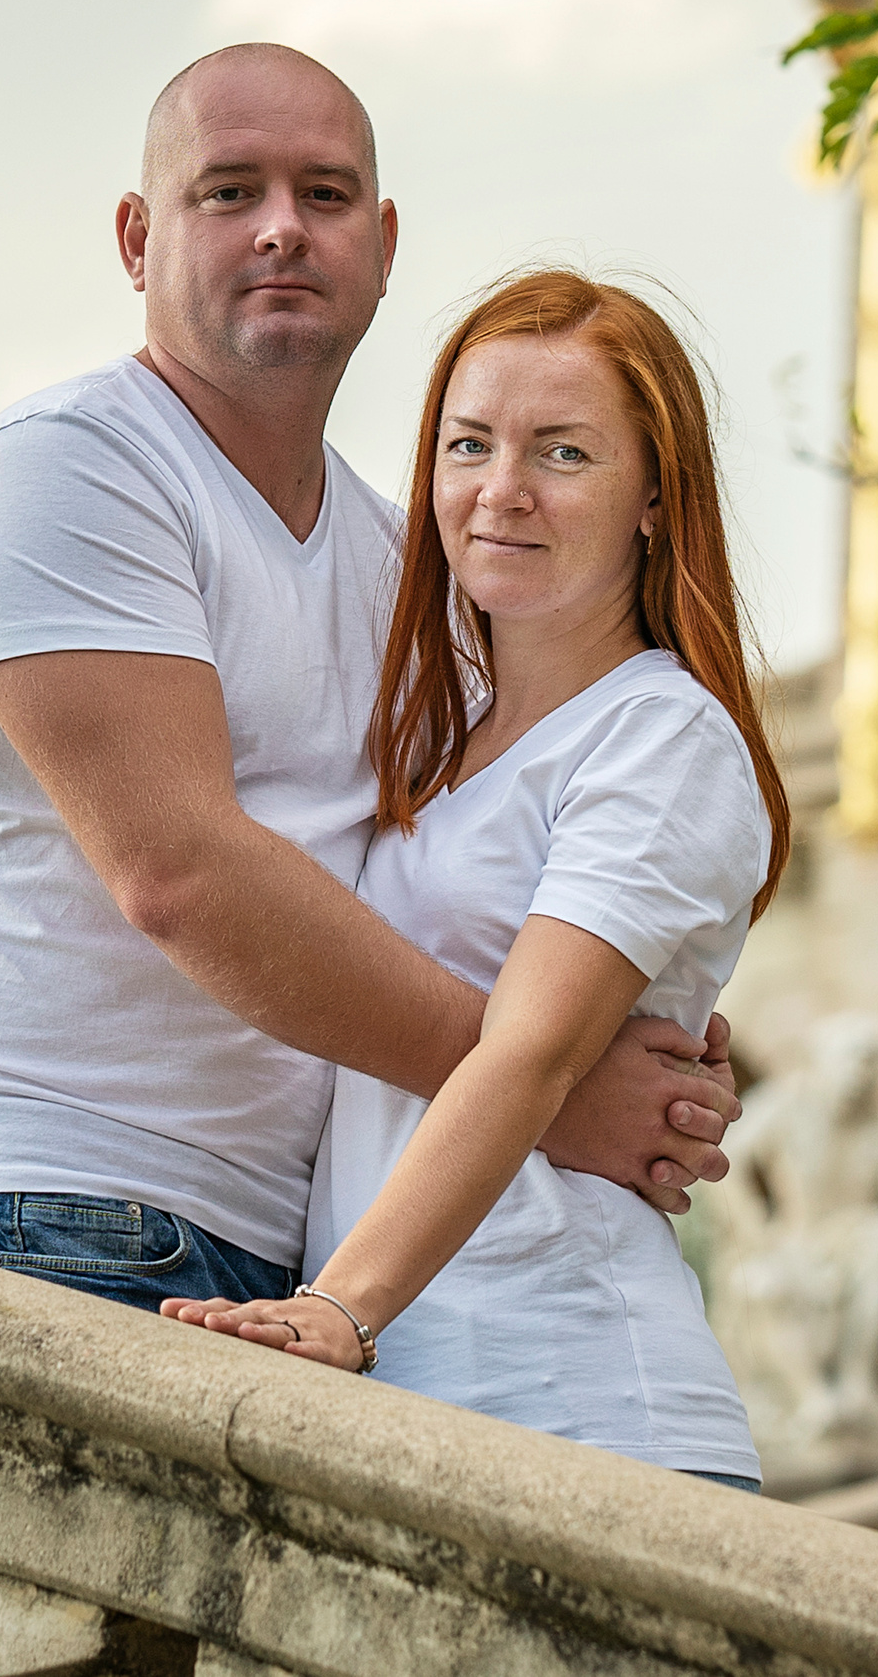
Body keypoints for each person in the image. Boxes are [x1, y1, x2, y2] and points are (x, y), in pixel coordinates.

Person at [0, 46, 739, 1311]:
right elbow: (182, 875)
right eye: (229, 192)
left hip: (304, 1247)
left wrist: (655, 1029)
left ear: (382, 245)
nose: (282, 229)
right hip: (52, 1202)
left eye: (324, 196)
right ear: (135, 236)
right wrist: (543, 1089)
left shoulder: (407, 564)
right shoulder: (67, 475)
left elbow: (520, 859)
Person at [163, 271, 790, 1493]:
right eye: (468, 445)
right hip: (414, 1403)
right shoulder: (440, 742)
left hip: (578, 1408)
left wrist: (340, 1308)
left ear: (655, 496)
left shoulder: (662, 737)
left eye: (563, 453)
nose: (501, 491)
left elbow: (531, 1054)